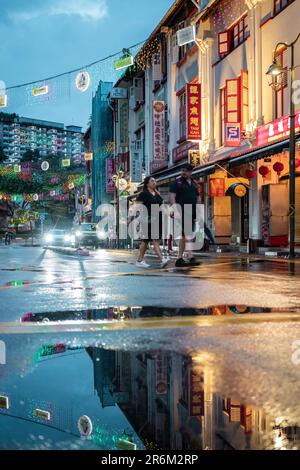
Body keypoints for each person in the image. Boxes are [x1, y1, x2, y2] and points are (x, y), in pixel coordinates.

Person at [169, 163, 201, 267]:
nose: (183, 172)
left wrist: (198, 210)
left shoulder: (194, 183)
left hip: (192, 211)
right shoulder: (176, 183)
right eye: (182, 170)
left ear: (191, 172)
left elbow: (198, 198)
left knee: (184, 235)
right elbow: (172, 197)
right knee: (188, 233)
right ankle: (191, 257)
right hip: (181, 211)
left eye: (186, 171)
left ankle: (179, 259)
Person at [135, 176, 168, 268]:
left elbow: (162, 207)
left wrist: (170, 214)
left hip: (157, 220)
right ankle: (162, 259)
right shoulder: (143, 194)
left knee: (146, 241)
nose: (155, 182)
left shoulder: (157, 194)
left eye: (155, 181)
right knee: (152, 240)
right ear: (147, 184)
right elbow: (137, 207)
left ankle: (140, 260)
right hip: (147, 220)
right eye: (152, 181)